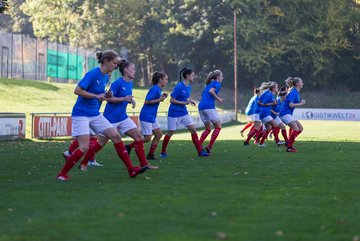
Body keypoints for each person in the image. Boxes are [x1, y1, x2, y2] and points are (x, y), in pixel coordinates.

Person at [57, 50, 148, 181]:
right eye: (114, 63)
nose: (116, 66)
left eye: (117, 63)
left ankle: (131, 170)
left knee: (116, 137)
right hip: (81, 114)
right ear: (106, 61)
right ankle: (62, 174)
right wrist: (96, 96)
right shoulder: (93, 73)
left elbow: (101, 95)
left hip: (94, 114)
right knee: (83, 147)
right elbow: (77, 90)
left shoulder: (105, 77)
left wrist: (107, 95)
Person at [79, 59, 158, 170]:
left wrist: (130, 101)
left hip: (123, 117)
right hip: (111, 118)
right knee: (101, 142)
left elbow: (125, 98)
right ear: (126, 70)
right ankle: (84, 162)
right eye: (133, 69)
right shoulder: (117, 83)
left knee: (138, 137)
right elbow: (108, 98)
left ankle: (144, 164)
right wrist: (124, 98)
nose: (135, 71)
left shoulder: (129, 83)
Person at [160, 67, 208, 157]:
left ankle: (200, 152)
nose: (194, 77)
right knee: (170, 132)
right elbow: (172, 100)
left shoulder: (188, 87)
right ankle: (163, 152)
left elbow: (184, 98)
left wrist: (189, 101)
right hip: (174, 113)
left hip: (183, 112)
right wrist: (184, 102)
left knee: (193, 130)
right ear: (187, 76)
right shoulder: (179, 86)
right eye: (192, 75)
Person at [125, 71, 169, 160]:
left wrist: (161, 97)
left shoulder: (158, 89)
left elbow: (155, 99)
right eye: (166, 79)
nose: (167, 81)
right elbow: (147, 101)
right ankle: (129, 146)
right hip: (146, 116)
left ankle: (150, 155)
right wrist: (159, 100)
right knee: (147, 138)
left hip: (152, 116)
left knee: (159, 134)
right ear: (160, 80)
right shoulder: (155, 89)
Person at [198, 70, 224, 154]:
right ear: (218, 77)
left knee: (208, 129)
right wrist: (218, 98)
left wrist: (217, 96)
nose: (222, 77)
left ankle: (198, 145)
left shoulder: (208, 84)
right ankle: (209, 147)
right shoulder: (217, 84)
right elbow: (211, 91)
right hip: (208, 106)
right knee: (218, 126)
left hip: (201, 106)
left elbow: (207, 93)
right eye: (221, 76)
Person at [279, 77, 306, 152]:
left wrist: (300, 101)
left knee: (300, 129)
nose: (302, 83)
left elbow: (292, 102)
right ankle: (289, 147)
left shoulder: (296, 91)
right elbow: (290, 105)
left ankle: (289, 143)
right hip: (284, 113)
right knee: (296, 129)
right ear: (297, 84)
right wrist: (301, 103)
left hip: (288, 113)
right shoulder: (293, 92)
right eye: (301, 82)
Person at [256, 81, 279, 147]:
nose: (278, 88)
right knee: (275, 125)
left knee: (268, 128)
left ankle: (261, 143)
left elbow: (259, 101)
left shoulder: (266, 92)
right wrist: (273, 103)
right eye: (277, 87)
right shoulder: (270, 95)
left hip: (263, 113)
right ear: (274, 88)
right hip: (265, 113)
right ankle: (277, 141)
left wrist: (263, 104)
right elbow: (264, 103)